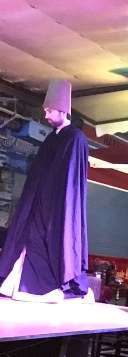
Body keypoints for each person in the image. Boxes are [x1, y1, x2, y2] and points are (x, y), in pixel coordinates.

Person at [0, 79, 90, 302]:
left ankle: (51, 285)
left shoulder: (75, 138)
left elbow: (72, 181)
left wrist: (57, 205)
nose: (46, 115)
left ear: (63, 111)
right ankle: (19, 284)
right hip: (38, 202)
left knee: (51, 240)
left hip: (58, 205)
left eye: (50, 110)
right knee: (27, 235)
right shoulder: (52, 138)